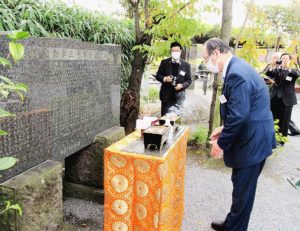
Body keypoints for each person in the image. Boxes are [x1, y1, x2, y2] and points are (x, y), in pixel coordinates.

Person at [202, 38, 276, 231]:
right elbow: (242, 109)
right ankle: (232, 224)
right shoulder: (236, 68)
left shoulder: (236, 73)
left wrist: (222, 143)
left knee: (243, 192)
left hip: (252, 142)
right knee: (241, 189)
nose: (206, 63)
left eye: (205, 58)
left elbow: (239, 116)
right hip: (252, 137)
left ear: (216, 53)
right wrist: (224, 129)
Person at [265, 53, 300, 143]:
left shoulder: (293, 71)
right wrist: (274, 65)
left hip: (287, 99)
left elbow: (297, 75)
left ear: (289, 60)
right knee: (273, 118)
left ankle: (282, 140)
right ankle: (273, 137)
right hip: (275, 98)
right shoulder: (276, 69)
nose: (283, 60)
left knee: (285, 120)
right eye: (282, 58)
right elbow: (267, 73)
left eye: (285, 59)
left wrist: (288, 67)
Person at [155, 41, 192, 116]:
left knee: (177, 119)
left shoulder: (186, 65)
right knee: (165, 118)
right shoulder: (164, 62)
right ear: (170, 51)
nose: (175, 52)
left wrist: (181, 85)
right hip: (166, 96)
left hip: (179, 96)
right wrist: (165, 78)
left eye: (177, 51)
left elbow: (189, 80)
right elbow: (158, 75)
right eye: (173, 51)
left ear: (180, 51)